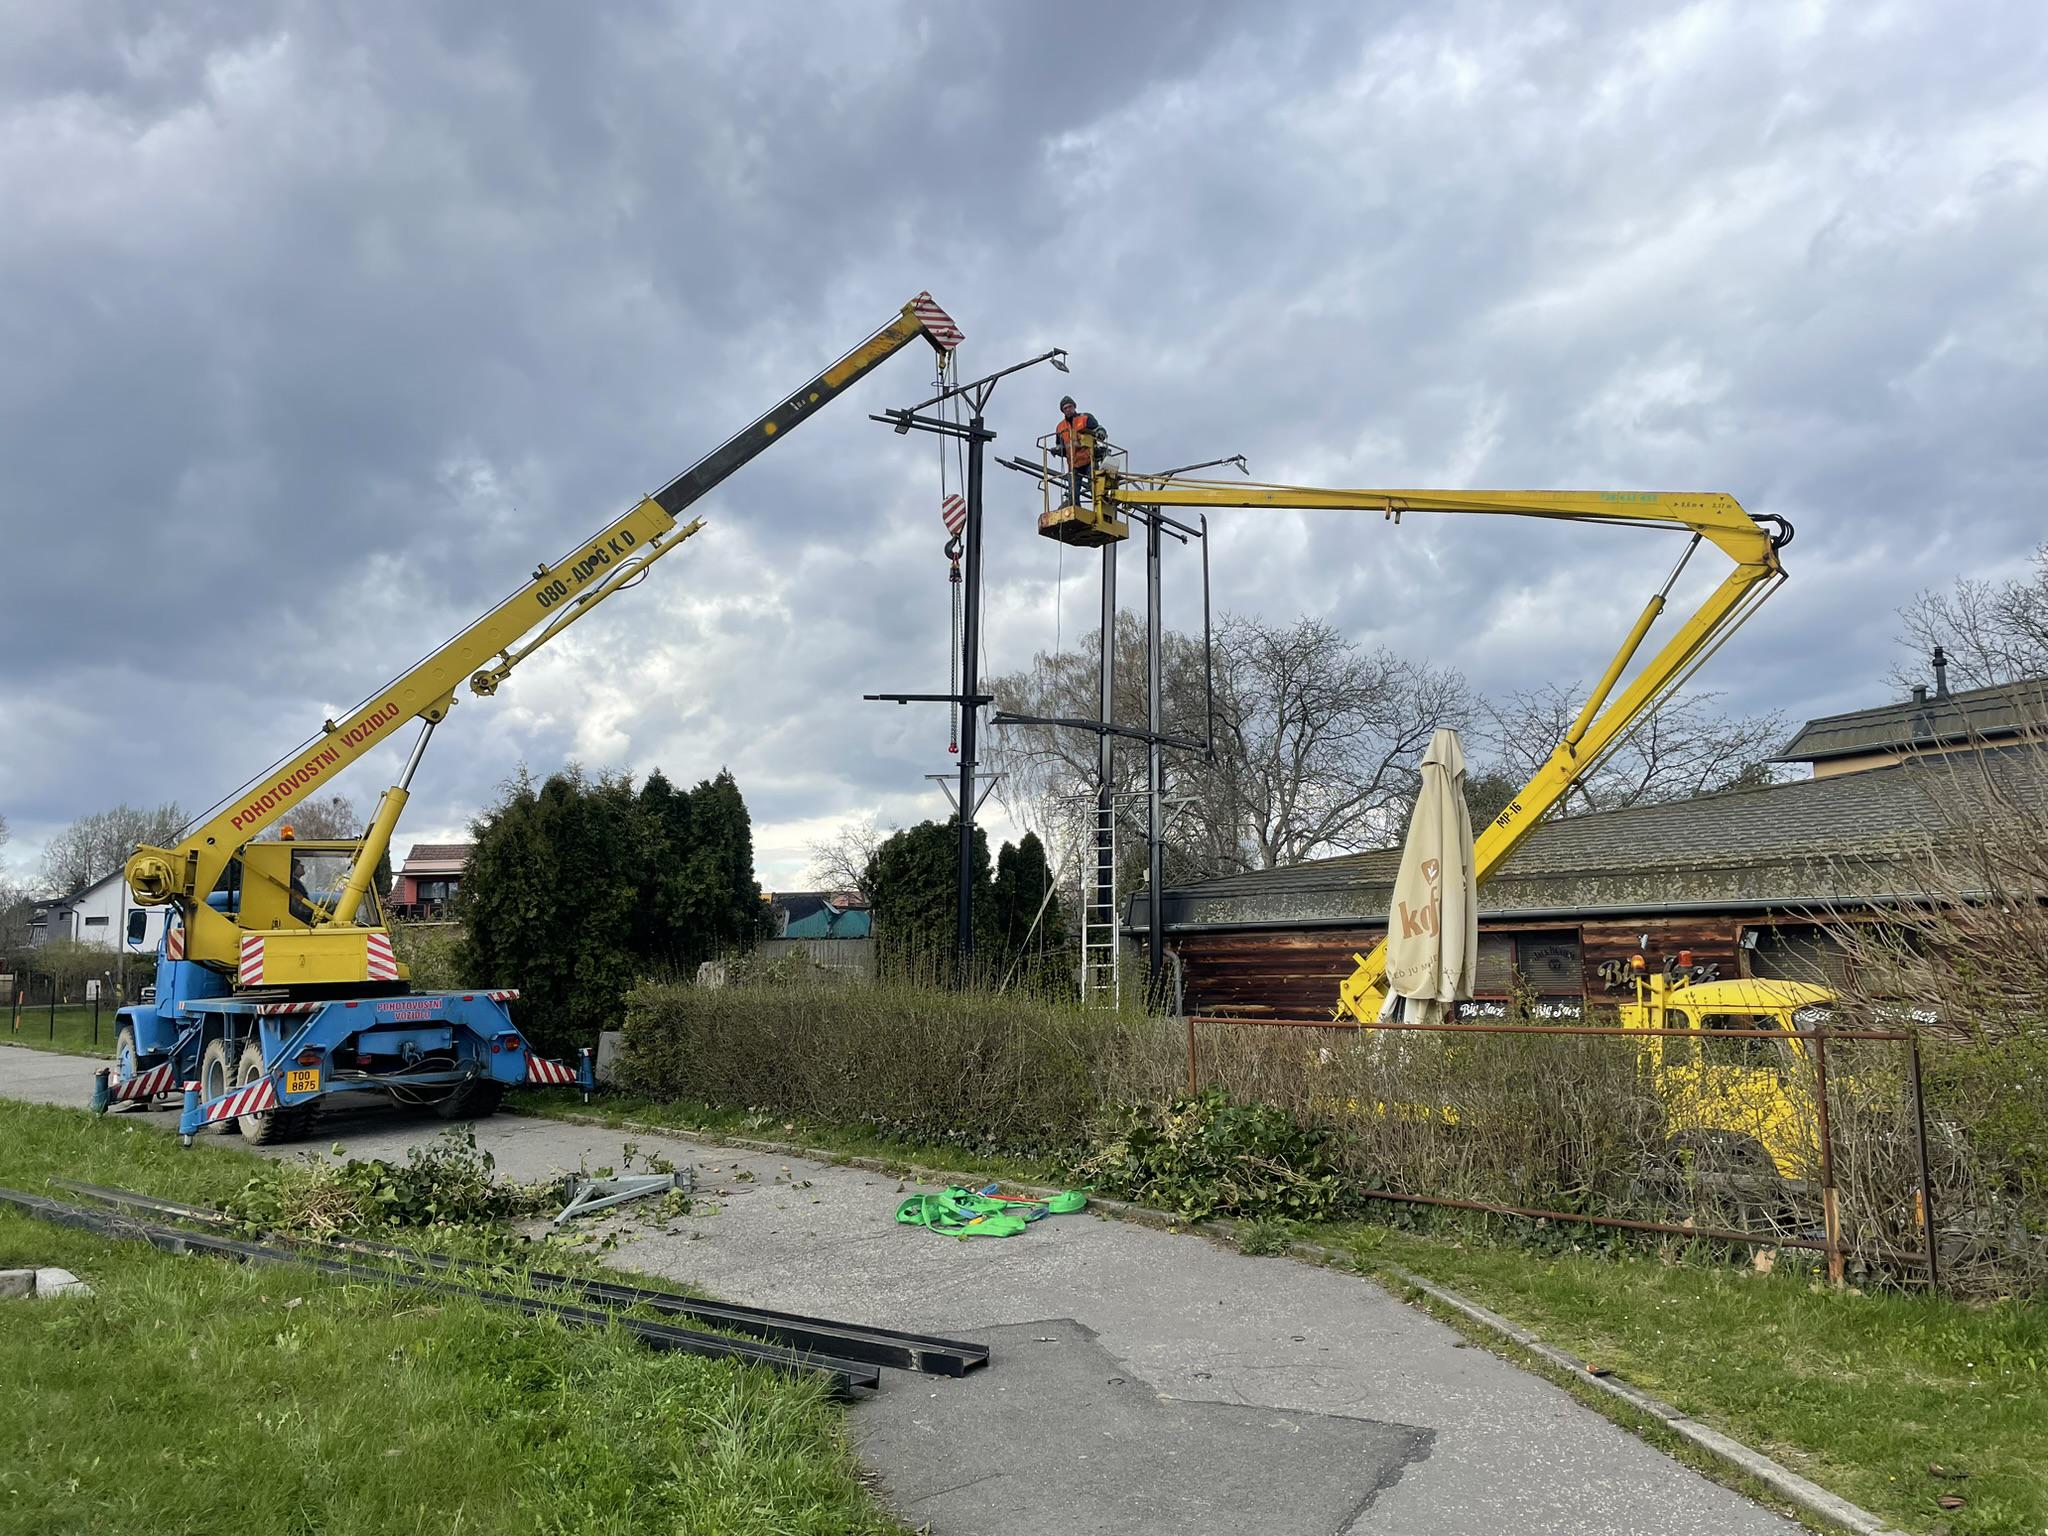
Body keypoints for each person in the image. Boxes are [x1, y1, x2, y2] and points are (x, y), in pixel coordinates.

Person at [1054, 395, 1105, 507]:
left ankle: (1099, 510)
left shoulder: (1085, 418)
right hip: (1074, 463)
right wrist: (1057, 450)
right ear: (1062, 411)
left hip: (1089, 460)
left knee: (1095, 488)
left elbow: (1099, 429)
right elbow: (1060, 445)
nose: (1068, 409)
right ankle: (1076, 510)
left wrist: (1101, 433)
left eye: (1070, 407)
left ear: (1074, 406)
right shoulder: (1060, 427)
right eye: (1065, 408)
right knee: (1073, 492)